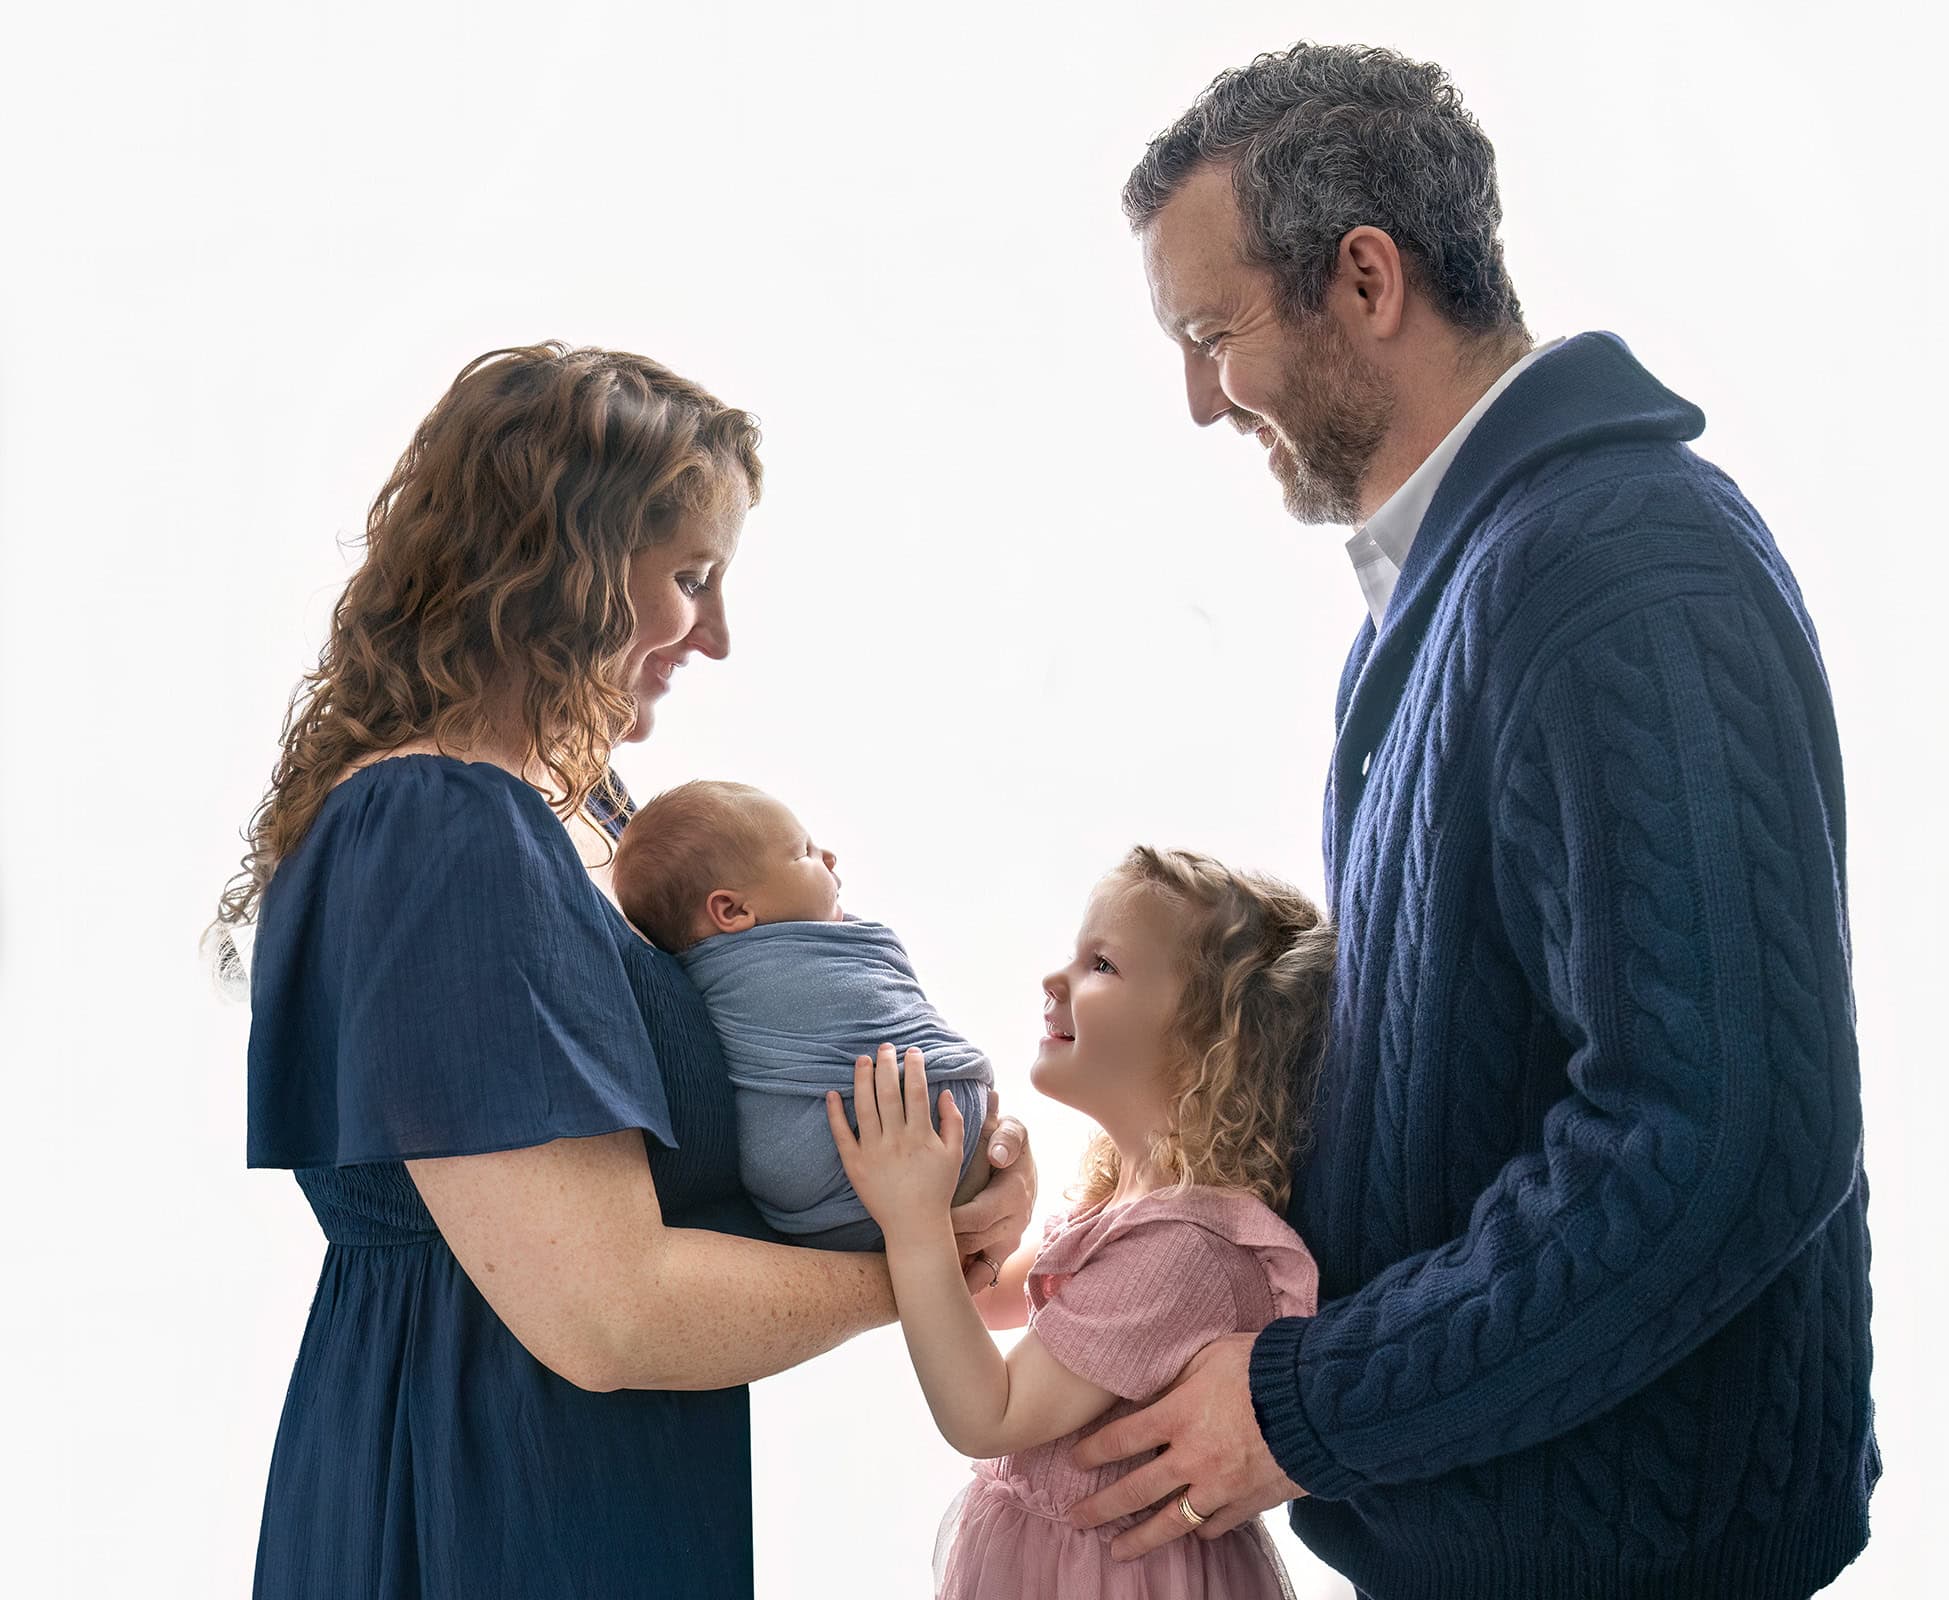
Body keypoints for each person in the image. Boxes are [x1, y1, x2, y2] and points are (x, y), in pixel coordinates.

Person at [1067, 43, 1879, 1600]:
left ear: (1365, 278)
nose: (1195, 401)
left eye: (1210, 332)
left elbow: (1714, 1146)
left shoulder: (1620, 571)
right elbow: (1455, 1082)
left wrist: (1312, 1407)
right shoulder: (1446, 600)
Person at [210, 342, 1036, 1599]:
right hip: (485, 1499)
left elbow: (716, 1158)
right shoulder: (441, 832)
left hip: (596, 1482)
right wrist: (921, 1265)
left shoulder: (588, 816)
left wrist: (960, 1161)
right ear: (561, 564)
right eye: (689, 578)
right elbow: (611, 1312)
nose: (713, 633)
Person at [830, 847, 1335, 1599]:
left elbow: (989, 1413)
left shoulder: (1182, 1252)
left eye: (1101, 964)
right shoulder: (1132, 1203)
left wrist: (913, 1222)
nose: (1055, 980)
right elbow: (986, 1295)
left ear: (1210, 1042)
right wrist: (957, 1191)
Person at [614, 778, 996, 1247]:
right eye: (804, 852)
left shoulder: (727, 964)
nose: (829, 857)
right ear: (732, 910)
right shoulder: (753, 973)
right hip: (860, 1173)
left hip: (826, 1192)